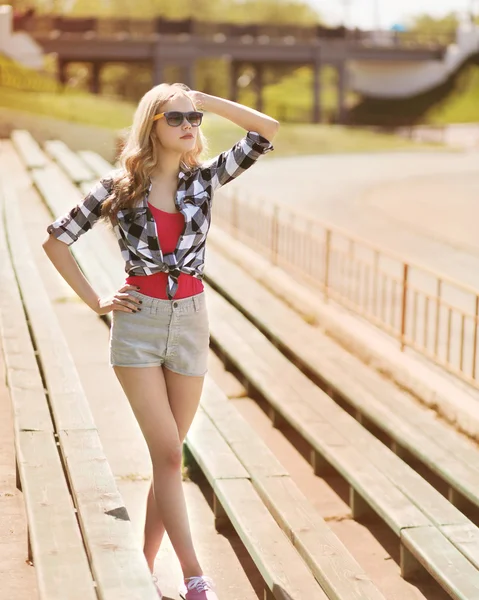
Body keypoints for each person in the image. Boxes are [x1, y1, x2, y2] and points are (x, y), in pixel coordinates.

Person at [42, 82, 279, 599]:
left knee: (166, 458)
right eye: (176, 118)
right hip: (139, 325)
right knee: (171, 455)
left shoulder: (205, 178)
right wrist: (96, 299)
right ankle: (195, 576)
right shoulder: (118, 188)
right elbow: (56, 240)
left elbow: (267, 131)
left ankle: (142, 565)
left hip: (192, 321)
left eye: (193, 118)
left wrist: (207, 101)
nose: (189, 126)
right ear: (151, 124)